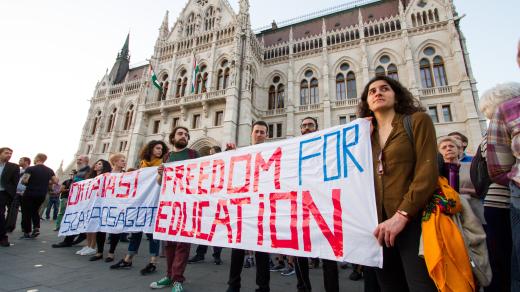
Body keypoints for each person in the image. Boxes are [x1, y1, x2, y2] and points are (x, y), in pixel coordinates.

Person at [358, 76, 438, 291]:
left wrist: (402, 215)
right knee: (390, 287)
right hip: (378, 227)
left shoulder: (417, 121)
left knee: (421, 285)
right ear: (367, 101)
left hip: (415, 221)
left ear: (396, 95)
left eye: (385, 88)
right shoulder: (364, 137)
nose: (377, 93)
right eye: (372, 91)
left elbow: (427, 172)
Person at [292, 117, 340, 292]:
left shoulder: (327, 148)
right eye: (303, 126)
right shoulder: (293, 150)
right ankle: (303, 288)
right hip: (301, 208)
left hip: (324, 209)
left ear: (317, 128)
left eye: (310, 125)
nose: (307, 128)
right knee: (300, 254)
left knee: (329, 255)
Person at [150, 127, 199, 292]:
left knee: (182, 244)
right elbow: (159, 183)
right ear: (173, 137)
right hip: (169, 205)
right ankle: (169, 276)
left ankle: (178, 279)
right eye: (180, 133)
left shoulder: (193, 155)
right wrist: (160, 173)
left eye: (186, 135)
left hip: (186, 205)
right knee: (169, 243)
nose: (183, 136)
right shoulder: (168, 156)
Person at [225, 121, 271, 292]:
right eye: (256, 131)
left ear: (267, 135)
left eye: (262, 132)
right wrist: (227, 154)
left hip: (262, 208)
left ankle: (263, 287)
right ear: (251, 133)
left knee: (262, 251)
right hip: (243, 208)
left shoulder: (270, 152)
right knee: (237, 249)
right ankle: (233, 285)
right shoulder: (240, 152)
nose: (259, 134)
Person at [110, 140, 168, 275]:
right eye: (157, 148)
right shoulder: (142, 164)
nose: (160, 151)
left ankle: (153, 262)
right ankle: (128, 259)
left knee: (151, 232)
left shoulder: (163, 165)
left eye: (161, 149)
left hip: (155, 202)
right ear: (150, 149)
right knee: (135, 229)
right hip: (141, 202)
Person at [484, 82, 520, 291]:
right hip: (505, 199)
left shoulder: (505, 112)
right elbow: (496, 169)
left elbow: (497, 168)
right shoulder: (507, 113)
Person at [188, 145, 224, 266]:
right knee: (203, 229)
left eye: (212, 153)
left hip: (218, 203)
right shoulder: (207, 167)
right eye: (209, 153)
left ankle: (217, 255)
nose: (210, 155)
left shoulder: (223, 166)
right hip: (207, 203)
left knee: (216, 230)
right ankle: (200, 254)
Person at [90, 155, 125, 262]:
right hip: (104, 204)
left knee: (116, 229)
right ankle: (99, 252)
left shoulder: (126, 175)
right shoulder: (106, 175)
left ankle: (111, 253)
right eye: (122, 161)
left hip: (118, 205)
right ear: (115, 162)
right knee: (100, 228)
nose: (124, 163)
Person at [52, 155, 91, 248]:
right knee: (74, 220)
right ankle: (80, 235)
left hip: (82, 200)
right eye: (77, 159)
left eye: (80, 160)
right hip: (75, 199)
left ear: (86, 161)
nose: (77, 161)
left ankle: (69, 240)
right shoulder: (80, 171)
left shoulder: (88, 172)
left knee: (74, 220)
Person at [75, 159, 111, 257]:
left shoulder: (105, 177)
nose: (96, 165)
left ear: (104, 167)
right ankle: (88, 245)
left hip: (98, 204)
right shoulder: (91, 177)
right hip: (89, 204)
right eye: (97, 163)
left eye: (100, 164)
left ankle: (92, 247)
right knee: (88, 225)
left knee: (94, 225)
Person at [20, 153, 58, 239]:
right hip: (41, 194)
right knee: (35, 211)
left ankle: (27, 232)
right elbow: (56, 181)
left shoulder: (31, 169)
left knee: (26, 212)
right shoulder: (49, 170)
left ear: (37, 158)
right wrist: (45, 182)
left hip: (30, 192)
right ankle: (36, 228)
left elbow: (24, 181)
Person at [0, 147, 21, 247]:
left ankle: (3, 237)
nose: (9, 155)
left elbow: (16, 182)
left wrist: (15, 194)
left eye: (10, 153)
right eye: (6, 153)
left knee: (1, 215)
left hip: (4, 193)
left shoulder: (13, 167)